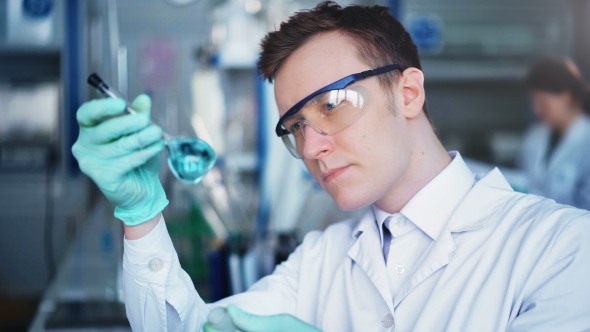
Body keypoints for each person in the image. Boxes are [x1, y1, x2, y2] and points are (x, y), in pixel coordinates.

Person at [72, 2, 590, 331]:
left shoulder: (562, 248)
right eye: (295, 126)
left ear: (407, 92)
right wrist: (140, 217)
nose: (313, 145)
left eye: (333, 104)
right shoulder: (321, 259)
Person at [521, 57, 590, 210]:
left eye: (543, 103)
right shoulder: (535, 138)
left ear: (565, 98)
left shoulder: (587, 141)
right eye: (534, 102)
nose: (536, 110)